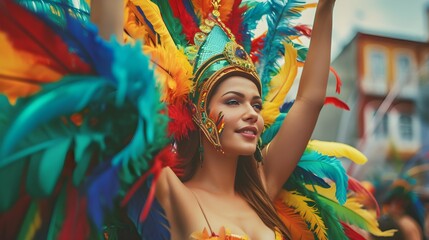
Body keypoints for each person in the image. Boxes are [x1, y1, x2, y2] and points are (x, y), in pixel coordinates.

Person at [0, 0, 395, 239]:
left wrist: (326, 7)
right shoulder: (175, 195)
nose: (252, 115)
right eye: (234, 102)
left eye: (256, 105)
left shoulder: (263, 185)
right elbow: (110, 77)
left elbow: (309, 99)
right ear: (201, 116)